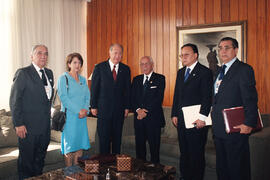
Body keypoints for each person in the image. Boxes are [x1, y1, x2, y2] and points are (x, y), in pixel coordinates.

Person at [211, 37, 258, 180]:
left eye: (227, 47)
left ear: (236, 50)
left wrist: (249, 123)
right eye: (220, 48)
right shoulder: (219, 71)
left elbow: (250, 99)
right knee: (222, 169)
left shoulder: (244, 69)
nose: (222, 51)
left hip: (236, 128)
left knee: (237, 169)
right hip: (219, 129)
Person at [9, 44, 54, 179]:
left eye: (46, 53)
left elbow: (47, 101)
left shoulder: (49, 73)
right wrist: (18, 124)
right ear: (32, 56)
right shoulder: (23, 73)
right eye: (39, 53)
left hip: (44, 128)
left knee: (39, 163)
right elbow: (15, 100)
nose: (43, 56)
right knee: (26, 165)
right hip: (27, 128)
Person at [171, 43, 213, 180]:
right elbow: (177, 95)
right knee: (184, 153)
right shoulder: (181, 72)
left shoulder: (205, 72)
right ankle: (185, 176)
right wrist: (174, 114)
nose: (183, 57)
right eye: (181, 55)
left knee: (196, 154)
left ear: (195, 55)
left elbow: (207, 97)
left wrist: (202, 117)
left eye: (186, 54)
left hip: (197, 120)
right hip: (182, 120)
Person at [90, 43, 131, 154]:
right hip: (103, 111)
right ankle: (105, 168)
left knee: (117, 142)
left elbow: (127, 90)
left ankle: (116, 168)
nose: (117, 56)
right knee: (104, 142)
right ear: (110, 53)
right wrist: (93, 106)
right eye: (115, 53)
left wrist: (127, 107)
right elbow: (94, 88)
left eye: (120, 54)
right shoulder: (99, 67)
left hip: (119, 111)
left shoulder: (126, 69)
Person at [57, 53, 91, 166]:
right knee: (70, 150)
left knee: (79, 148)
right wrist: (79, 111)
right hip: (70, 119)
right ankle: (69, 175)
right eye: (75, 62)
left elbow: (87, 97)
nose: (78, 65)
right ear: (69, 64)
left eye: (80, 63)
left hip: (81, 119)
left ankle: (77, 175)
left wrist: (85, 110)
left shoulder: (82, 79)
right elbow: (64, 98)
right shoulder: (63, 78)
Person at [131, 56, 165, 164]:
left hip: (153, 120)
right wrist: (138, 110)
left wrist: (144, 112)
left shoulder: (160, 78)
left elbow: (158, 99)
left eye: (146, 64)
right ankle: (141, 174)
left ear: (152, 64)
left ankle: (156, 174)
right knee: (140, 151)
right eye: (142, 64)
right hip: (139, 120)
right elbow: (132, 98)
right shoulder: (136, 79)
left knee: (154, 151)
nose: (144, 66)